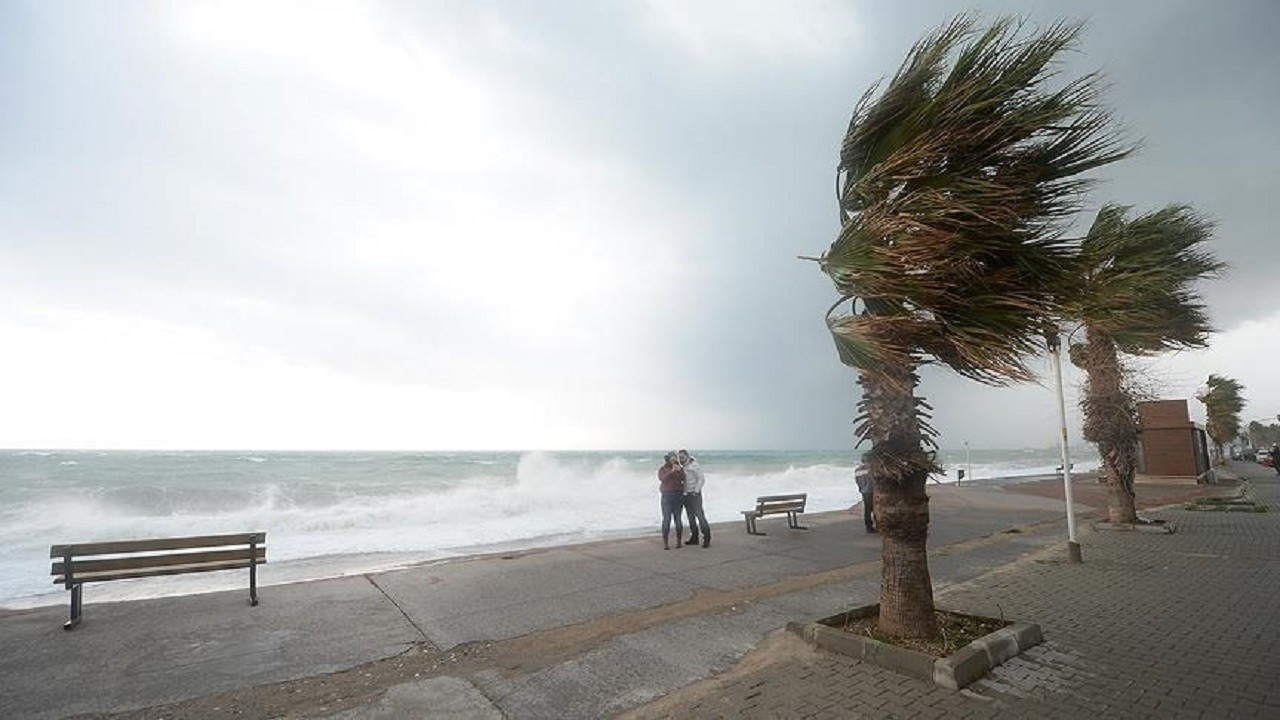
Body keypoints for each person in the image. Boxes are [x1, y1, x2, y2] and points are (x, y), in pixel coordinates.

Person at [679, 449, 710, 548]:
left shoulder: (694, 465)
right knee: (690, 517)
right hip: (686, 495)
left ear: (687, 456)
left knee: (700, 516)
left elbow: (701, 479)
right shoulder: (682, 467)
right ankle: (694, 538)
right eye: (680, 457)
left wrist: (696, 491)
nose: (681, 459)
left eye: (683, 457)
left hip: (694, 494)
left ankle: (707, 538)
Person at [658, 452, 686, 549]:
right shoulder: (662, 469)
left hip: (678, 495)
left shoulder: (679, 468)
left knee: (678, 519)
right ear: (668, 459)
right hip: (667, 495)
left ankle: (679, 542)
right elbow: (662, 479)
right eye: (673, 459)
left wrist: (679, 470)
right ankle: (666, 544)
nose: (674, 460)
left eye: (675, 459)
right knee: (667, 520)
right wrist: (672, 472)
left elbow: (684, 478)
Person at [855, 457, 876, 533]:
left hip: (864, 491)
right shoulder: (870, 469)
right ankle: (872, 526)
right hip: (871, 490)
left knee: (867, 509)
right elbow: (872, 480)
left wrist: (860, 488)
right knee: (873, 509)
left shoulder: (857, 470)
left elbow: (857, 481)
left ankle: (868, 526)